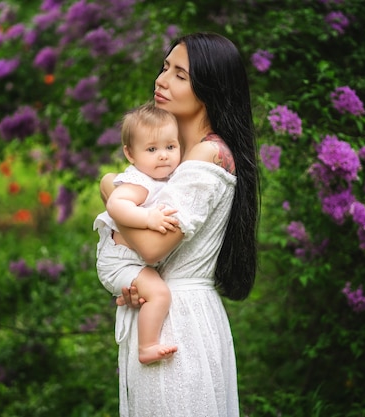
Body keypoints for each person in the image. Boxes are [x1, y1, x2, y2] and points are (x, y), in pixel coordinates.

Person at [101, 32, 259, 417]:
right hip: (163, 314)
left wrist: (109, 190)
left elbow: (154, 247)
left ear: (210, 88)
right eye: (165, 67)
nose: (161, 79)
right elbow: (150, 254)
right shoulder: (169, 159)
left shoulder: (209, 153)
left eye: (180, 74)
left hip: (181, 323)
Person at [94, 102, 181, 364]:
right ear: (130, 154)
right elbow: (116, 204)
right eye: (152, 149)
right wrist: (148, 217)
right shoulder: (139, 182)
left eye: (171, 147)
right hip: (120, 261)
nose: (163, 155)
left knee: (156, 289)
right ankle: (147, 347)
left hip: (131, 259)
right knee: (160, 294)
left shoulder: (165, 176)